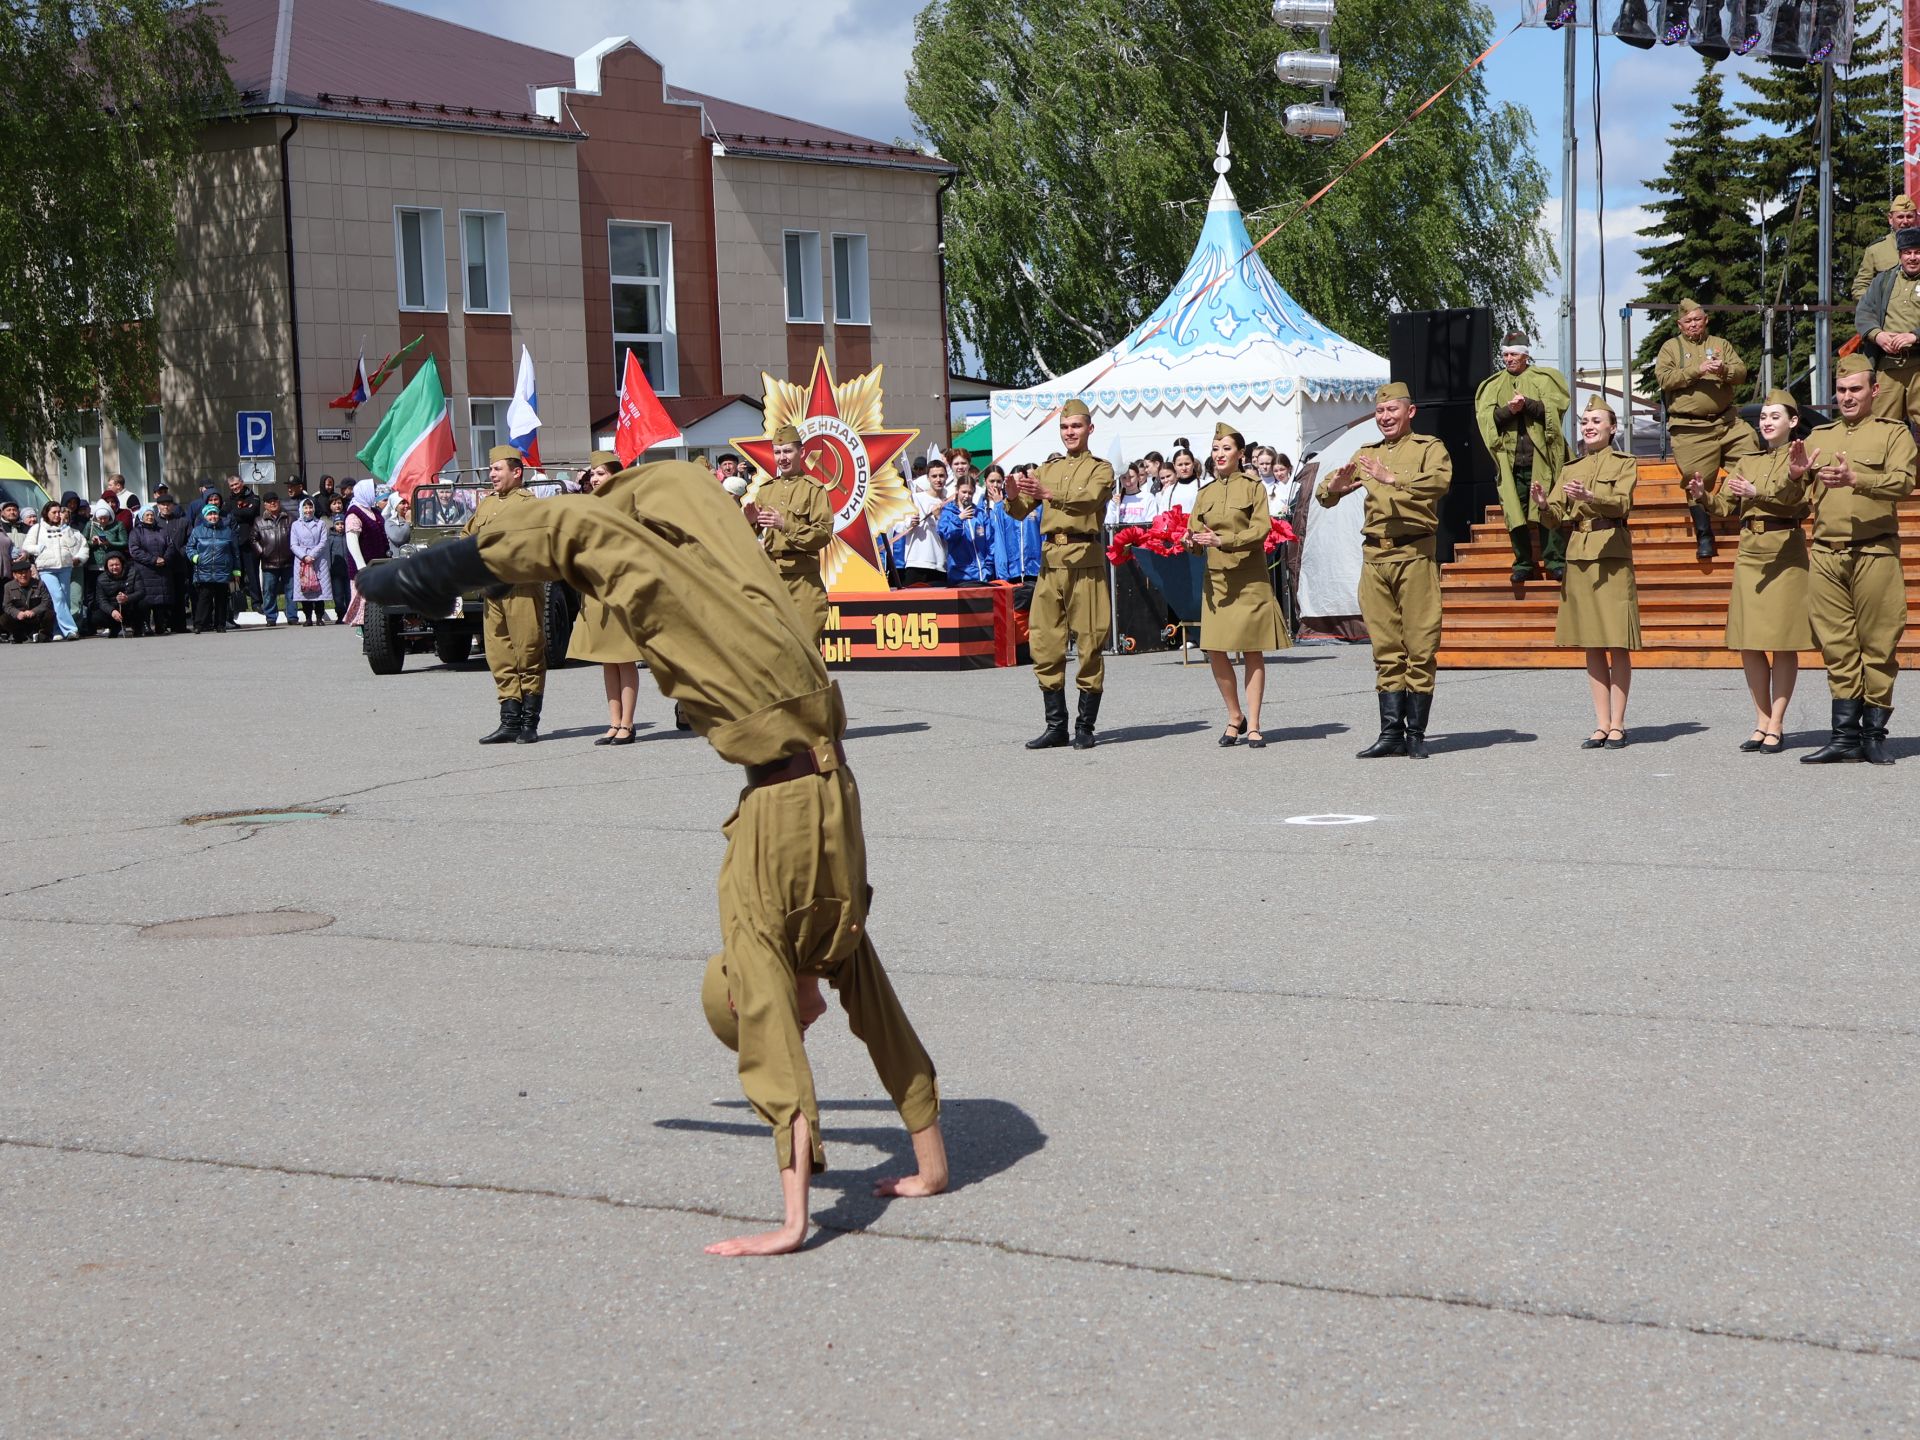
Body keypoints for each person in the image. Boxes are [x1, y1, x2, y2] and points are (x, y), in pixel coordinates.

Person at [358, 458, 948, 1257]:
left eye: (752, 1017)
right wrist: (926, 1167)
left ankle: (438, 575)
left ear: (744, 996)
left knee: (625, 529)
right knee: (679, 510)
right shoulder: (829, 944)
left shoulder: (785, 936)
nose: (799, 1026)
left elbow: (796, 1057)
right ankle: (504, 546)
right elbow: (882, 1029)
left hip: (798, 741)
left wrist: (793, 1219)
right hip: (791, 734)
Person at [1315, 382, 1453, 759]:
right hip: (1376, 559)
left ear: (1410, 412)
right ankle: (1390, 733)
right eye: (1379, 412)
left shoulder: (1429, 448)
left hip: (1414, 556)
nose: (1385, 417)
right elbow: (1324, 494)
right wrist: (1336, 487)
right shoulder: (1367, 453)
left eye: (1392, 410)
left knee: (1420, 646)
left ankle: (1417, 735)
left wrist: (1395, 479)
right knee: (1386, 649)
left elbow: (1441, 481)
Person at [1794, 354, 1917, 764]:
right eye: (1842, 390)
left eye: (1855, 390)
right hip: (1827, 554)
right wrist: (1794, 476)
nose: (1847, 397)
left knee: (1879, 642)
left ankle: (1873, 735)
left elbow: (1904, 482)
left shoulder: (1893, 433)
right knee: (1837, 645)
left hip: (1875, 550)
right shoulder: (1819, 437)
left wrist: (1856, 479)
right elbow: (1791, 498)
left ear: (1873, 391)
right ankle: (1843, 736)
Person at [1685, 390, 1812, 753]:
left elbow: (1799, 502)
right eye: (1764, 417)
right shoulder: (1746, 460)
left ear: (1793, 421)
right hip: (1751, 553)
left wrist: (1759, 493)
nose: (1767, 422)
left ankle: (1777, 722)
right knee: (1749, 642)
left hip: (1785, 553)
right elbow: (1725, 504)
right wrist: (1702, 495)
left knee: (1783, 642)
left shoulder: (1800, 456)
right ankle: (1760, 721)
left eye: (1775, 416)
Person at [1007, 399, 1116, 748]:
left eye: (1076, 426)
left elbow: (1089, 500)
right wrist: (1011, 496)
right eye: (1065, 427)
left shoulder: (1101, 468)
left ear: (1089, 429)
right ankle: (1056, 726)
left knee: (1089, 640)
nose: (1070, 433)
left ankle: (1085, 726)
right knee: (1044, 642)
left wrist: (1048, 494)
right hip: (1050, 561)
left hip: (1084, 559)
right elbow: (1021, 511)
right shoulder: (1047, 468)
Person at [1536, 398, 1640, 749]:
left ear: (1613, 427)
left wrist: (1591, 495)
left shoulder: (1626, 463)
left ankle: (1619, 724)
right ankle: (1601, 723)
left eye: (1596, 421)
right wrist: (1541, 505)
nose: (1589, 426)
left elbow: (1622, 503)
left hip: (1611, 552)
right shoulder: (1570, 468)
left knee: (1616, 641)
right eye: (1584, 422)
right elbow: (1556, 516)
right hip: (1579, 554)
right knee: (1592, 643)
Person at [1190, 424, 1290, 748]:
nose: (1219, 454)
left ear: (1240, 454)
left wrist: (1224, 540)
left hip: (1248, 577)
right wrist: (1190, 540)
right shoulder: (1204, 493)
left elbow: (1261, 529)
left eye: (1226, 448)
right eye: (1215, 448)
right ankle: (1235, 716)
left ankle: (1255, 724)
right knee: (1215, 650)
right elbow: (1194, 534)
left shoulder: (1253, 487)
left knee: (1251, 649)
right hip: (1216, 581)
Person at [1655, 297, 1758, 560]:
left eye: (1697, 319)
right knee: (1695, 477)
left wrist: (1723, 370)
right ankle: (1704, 534)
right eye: (1688, 321)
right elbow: (1665, 379)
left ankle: (1738, 513)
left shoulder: (1720, 345)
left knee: (1751, 456)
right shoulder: (1671, 348)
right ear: (1680, 324)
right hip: (1691, 427)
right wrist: (1696, 370)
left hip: (1727, 421)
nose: (1693, 324)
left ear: (1706, 320)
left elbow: (1742, 372)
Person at [466, 446, 548, 744]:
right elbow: (468, 538)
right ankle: (509, 721)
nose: (492, 474)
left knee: (528, 652)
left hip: (521, 589)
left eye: (498, 469)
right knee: (499, 656)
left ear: (517, 472)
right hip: (492, 592)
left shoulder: (528, 504)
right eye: (491, 470)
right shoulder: (486, 505)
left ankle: (529, 722)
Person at [1474, 330, 1570, 582]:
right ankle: (1523, 563)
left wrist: (1527, 404)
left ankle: (1554, 560)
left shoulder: (1545, 379)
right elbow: (1487, 419)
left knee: (1546, 507)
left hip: (1541, 460)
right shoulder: (1493, 385)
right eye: (1505, 355)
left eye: (1513, 354)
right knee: (1514, 513)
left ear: (1526, 355)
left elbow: (1554, 410)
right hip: (1512, 462)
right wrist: (1509, 410)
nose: (1508, 359)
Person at [567, 451, 643, 746]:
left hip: (621, 588)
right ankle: (613, 722)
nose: (595, 479)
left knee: (624, 658)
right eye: (593, 475)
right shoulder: (589, 505)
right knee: (606, 660)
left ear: (615, 475)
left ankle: (628, 723)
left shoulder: (628, 504)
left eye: (601, 473)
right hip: (595, 591)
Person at [744, 424, 835, 644]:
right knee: (775, 649)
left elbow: (823, 534)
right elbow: (746, 539)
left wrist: (785, 525)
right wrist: (748, 522)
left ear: (801, 452)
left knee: (806, 648)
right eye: (777, 452)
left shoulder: (814, 490)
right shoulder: (766, 491)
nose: (782, 457)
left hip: (804, 579)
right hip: (772, 578)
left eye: (787, 451)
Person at [1852, 225, 1920, 427]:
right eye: (1907, 252)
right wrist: (1877, 335)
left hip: (1919, 364)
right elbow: (1864, 312)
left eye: (1918, 252)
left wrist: (1915, 336)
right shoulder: (1883, 281)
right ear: (1900, 255)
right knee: (1882, 426)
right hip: (1888, 367)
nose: (1913, 257)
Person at [20, 501, 87, 640]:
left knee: (65, 600)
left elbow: (73, 546)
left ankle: (58, 630)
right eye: (54, 512)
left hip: (65, 567)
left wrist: (65, 529)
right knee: (58, 597)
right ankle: (71, 629)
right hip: (47, 568)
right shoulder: (38, 528)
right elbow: (27, 546)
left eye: (59, 512)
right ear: (46, 513)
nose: (57, 515)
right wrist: (39, 549)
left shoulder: (66, 528)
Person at [985, 465, 1040, 603]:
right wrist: (1003, 574)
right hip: (1012, 572)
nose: (1018, 487)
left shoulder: (1038, 506)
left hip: (1035, 570)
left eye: (1021, 482)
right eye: (1014, 483)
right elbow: (1000, 541)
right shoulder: (1003, 507)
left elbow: (1044, 538)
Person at [341, 479, 391, 628]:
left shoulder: (373, 511)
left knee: (377, 607)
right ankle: (367, 639)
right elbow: (352, 541)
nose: (375, 494)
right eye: (372, 491)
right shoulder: (354, 513)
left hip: (378, 566)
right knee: (365, 606)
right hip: (364, 568)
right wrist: (361, 565)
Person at [1849, 194, 1919, 302]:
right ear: (1890, 219)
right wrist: (1876, 306)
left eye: (1909, 216)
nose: (1905, 221)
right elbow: (1860, 288)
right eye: (1900, 217)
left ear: (1917, 218)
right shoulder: (1876, 250)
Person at [891, 460, 948, 586]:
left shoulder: (949, 500)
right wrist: (910, 523)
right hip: (916, 561)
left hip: (940, 563)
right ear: (928, 478)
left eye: (941, 476)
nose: (938, 479)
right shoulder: (916, 498)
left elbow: (951, 532)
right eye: (934, 476)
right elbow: (897, 524)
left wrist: (939, 517)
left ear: (946, 477)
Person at [186, 502, 237, 633]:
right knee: (204, 599)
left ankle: (220, 624)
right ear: (205, 516)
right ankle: (199, 625)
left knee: (222, 599)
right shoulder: (197, 531)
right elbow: (189, 547)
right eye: (210, 514)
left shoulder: (227, 531)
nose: (213, 516)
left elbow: (235, 552)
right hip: (204, 570)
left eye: (215, 513)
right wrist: (195, 558)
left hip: (223, 571)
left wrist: (237, 570)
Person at [937, 471, 995, 583]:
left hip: (982, 575)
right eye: (964, 492)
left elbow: (990, 542)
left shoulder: (980, 514)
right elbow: (946, 535)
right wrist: (959, 519)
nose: (967, 496)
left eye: (970, 493)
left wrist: (988, 567)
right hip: (959, 575)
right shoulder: (949, 512)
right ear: (957, 490)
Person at [128, 506, 176, 636]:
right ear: (141, 517)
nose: (150, 517)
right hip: (145, 570)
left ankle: (161, 625)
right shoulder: (136, 532)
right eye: (147, 515)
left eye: (151, 515)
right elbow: (135, 551)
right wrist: (153, 560)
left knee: (161, 600)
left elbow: (171, 546)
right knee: (145, 600)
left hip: (162, 570)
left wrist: (165, 559)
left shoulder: (162, 531)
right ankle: (145, 626)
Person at [252, 492, 296, 626]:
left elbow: (296, 536)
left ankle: (292, 616)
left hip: (288, 561)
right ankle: (270, 617)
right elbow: (253, 539)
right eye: (269, 501)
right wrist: (262, 552)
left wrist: (293, 551)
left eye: (275, 500)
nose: (273, 503)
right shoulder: (259, 521)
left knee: (291, 591)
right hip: (269, 563)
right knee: (269, 591)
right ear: (265, 504)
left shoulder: (290, 518)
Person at [224, 473, 262, 617]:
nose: (234, 487)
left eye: (236, 484)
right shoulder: (227, 501)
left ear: (242, 483)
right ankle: (237, 605)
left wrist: (236, 513)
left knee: (252, 574)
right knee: (235, 576)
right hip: (234, 543)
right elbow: (227, 514)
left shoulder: (253, 497)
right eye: (231, 486)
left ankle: (257, 602)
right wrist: (241, 512)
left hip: (249, 542)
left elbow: (252, 512)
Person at [289, 498, 333, 624]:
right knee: (305, 588)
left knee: (319, 589)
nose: (308, 510)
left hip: (318, 559)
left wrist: (312, 555)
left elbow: (323, 541)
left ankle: (319, 617)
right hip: (302, 560)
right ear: (301, 509)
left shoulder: (320, 524)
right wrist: (304, 556)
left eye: (310, 507)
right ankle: (308, 617)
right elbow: (293, 544)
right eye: (306, 508)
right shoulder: (296, 525)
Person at [158, 495, 193, 634]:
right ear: (158, 506)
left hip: (179, 564)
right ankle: (163, 624)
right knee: (164, 596)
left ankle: (180, 625)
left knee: (179, 595)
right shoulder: (154, 522)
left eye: (168, 504)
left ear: (173, 506)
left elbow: (190, 541)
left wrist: (182, 552)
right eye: (162, 504)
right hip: (161, 565)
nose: (166, 507)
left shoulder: (182, 522)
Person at [87, 552, 145, 637]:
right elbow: (101, 600)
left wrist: (127, 598)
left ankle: (138, 627)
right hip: (113, 608)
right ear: (107, 566)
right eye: (111, 565)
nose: (114, 567)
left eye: (117, 564)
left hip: (130, 606)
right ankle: (114, 627)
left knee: (143, 604)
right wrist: (112, 611)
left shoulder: (134, 572)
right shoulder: (101, 579)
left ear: (122, 564)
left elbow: (141, 592)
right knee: (96, 616)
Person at [3, 554, 52, 642]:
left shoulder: (39, 584)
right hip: (19, 619)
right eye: (20, 573)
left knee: (50, 614)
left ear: (30, 573)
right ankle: (18, 635)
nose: (23, 575)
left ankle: (43, 634)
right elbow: (7, 606)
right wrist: (17, 613)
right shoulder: (8, 586)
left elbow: (46, 602)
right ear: (14, 575)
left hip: (35, 617)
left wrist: (34, 611)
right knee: (4, 618)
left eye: (26, 572)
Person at [324, 498, 352, 620]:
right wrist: (329, 569)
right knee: (338, 595)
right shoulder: (330, 538)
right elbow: (328, 554)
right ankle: (340, 614)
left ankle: (350, 614)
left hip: (349, 571)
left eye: (342, 524)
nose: (340, 526)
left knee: (349, 593)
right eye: (338, 524)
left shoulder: (349, 537)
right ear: (334, 525)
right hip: (336, 572)